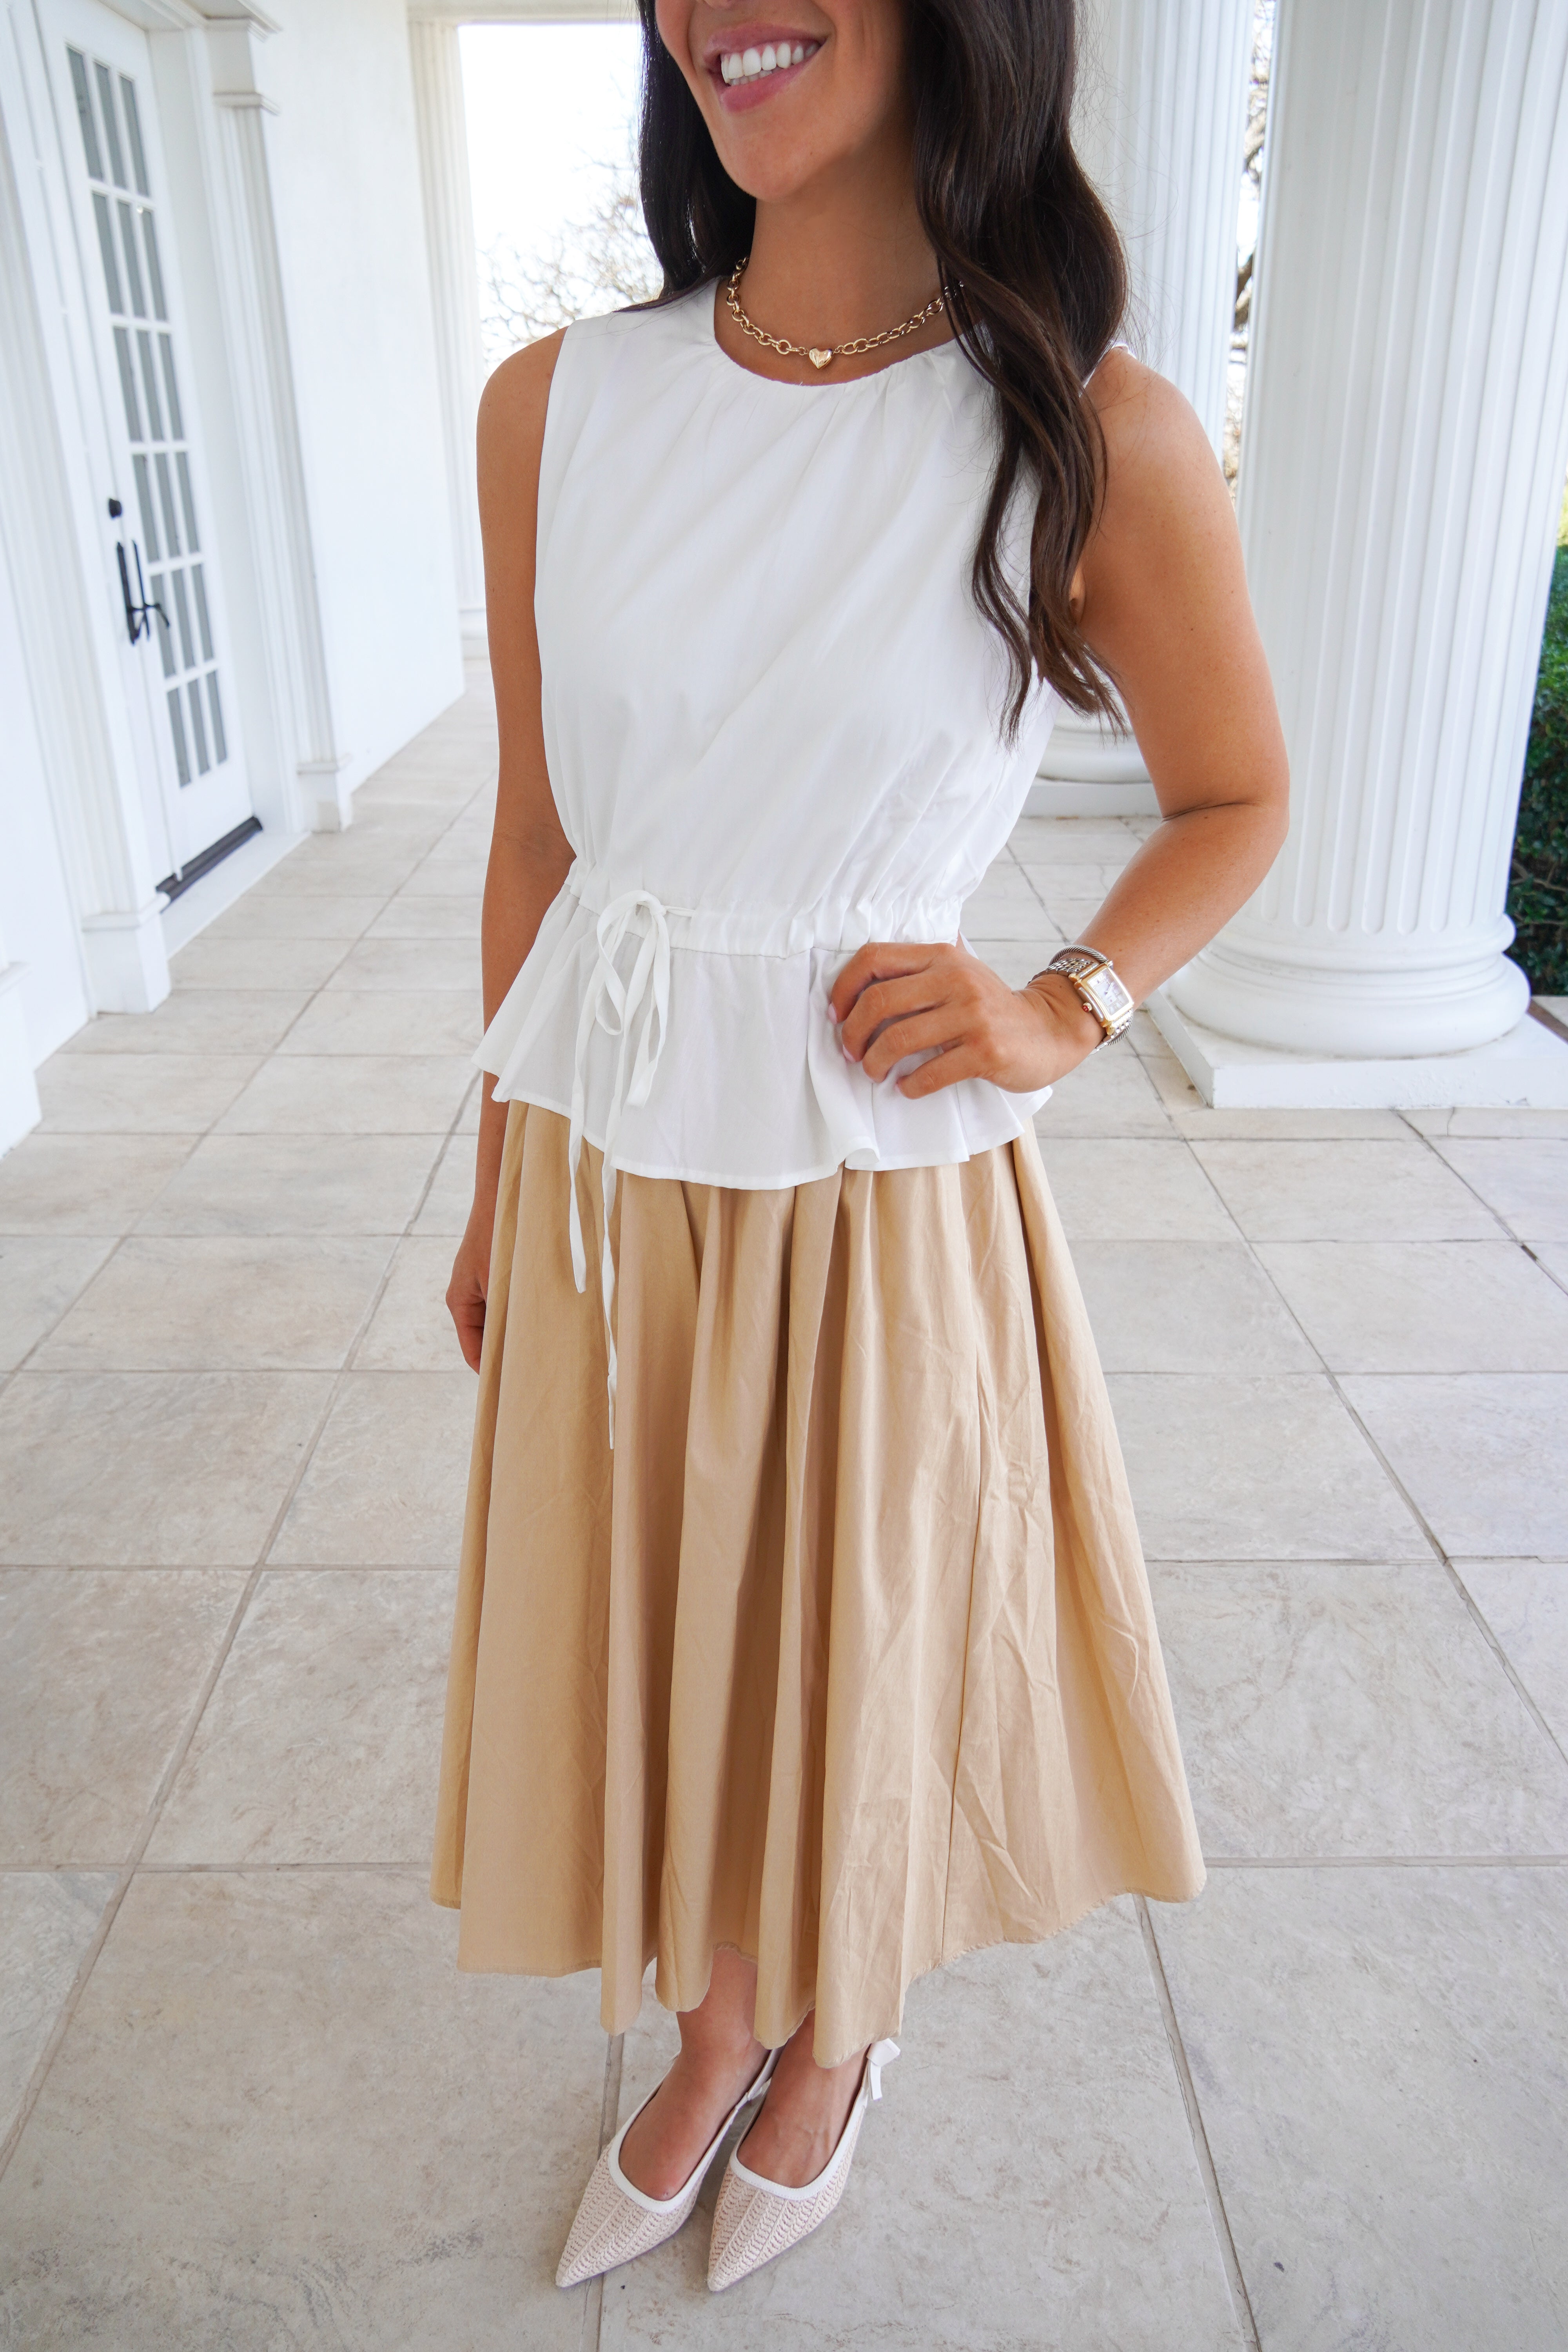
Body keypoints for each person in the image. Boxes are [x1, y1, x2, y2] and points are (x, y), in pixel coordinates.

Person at [434, 0, 1289, 2299]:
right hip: (615, 1160)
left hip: (878, 1181)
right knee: (670, 1626)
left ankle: (840, 2032)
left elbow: (1238, 797)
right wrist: (503, 1166)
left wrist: (1062, 1005)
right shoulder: (557, 407)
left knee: (856, 1636)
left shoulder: (1087, 427)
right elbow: (537, 840)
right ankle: (717, 2028)